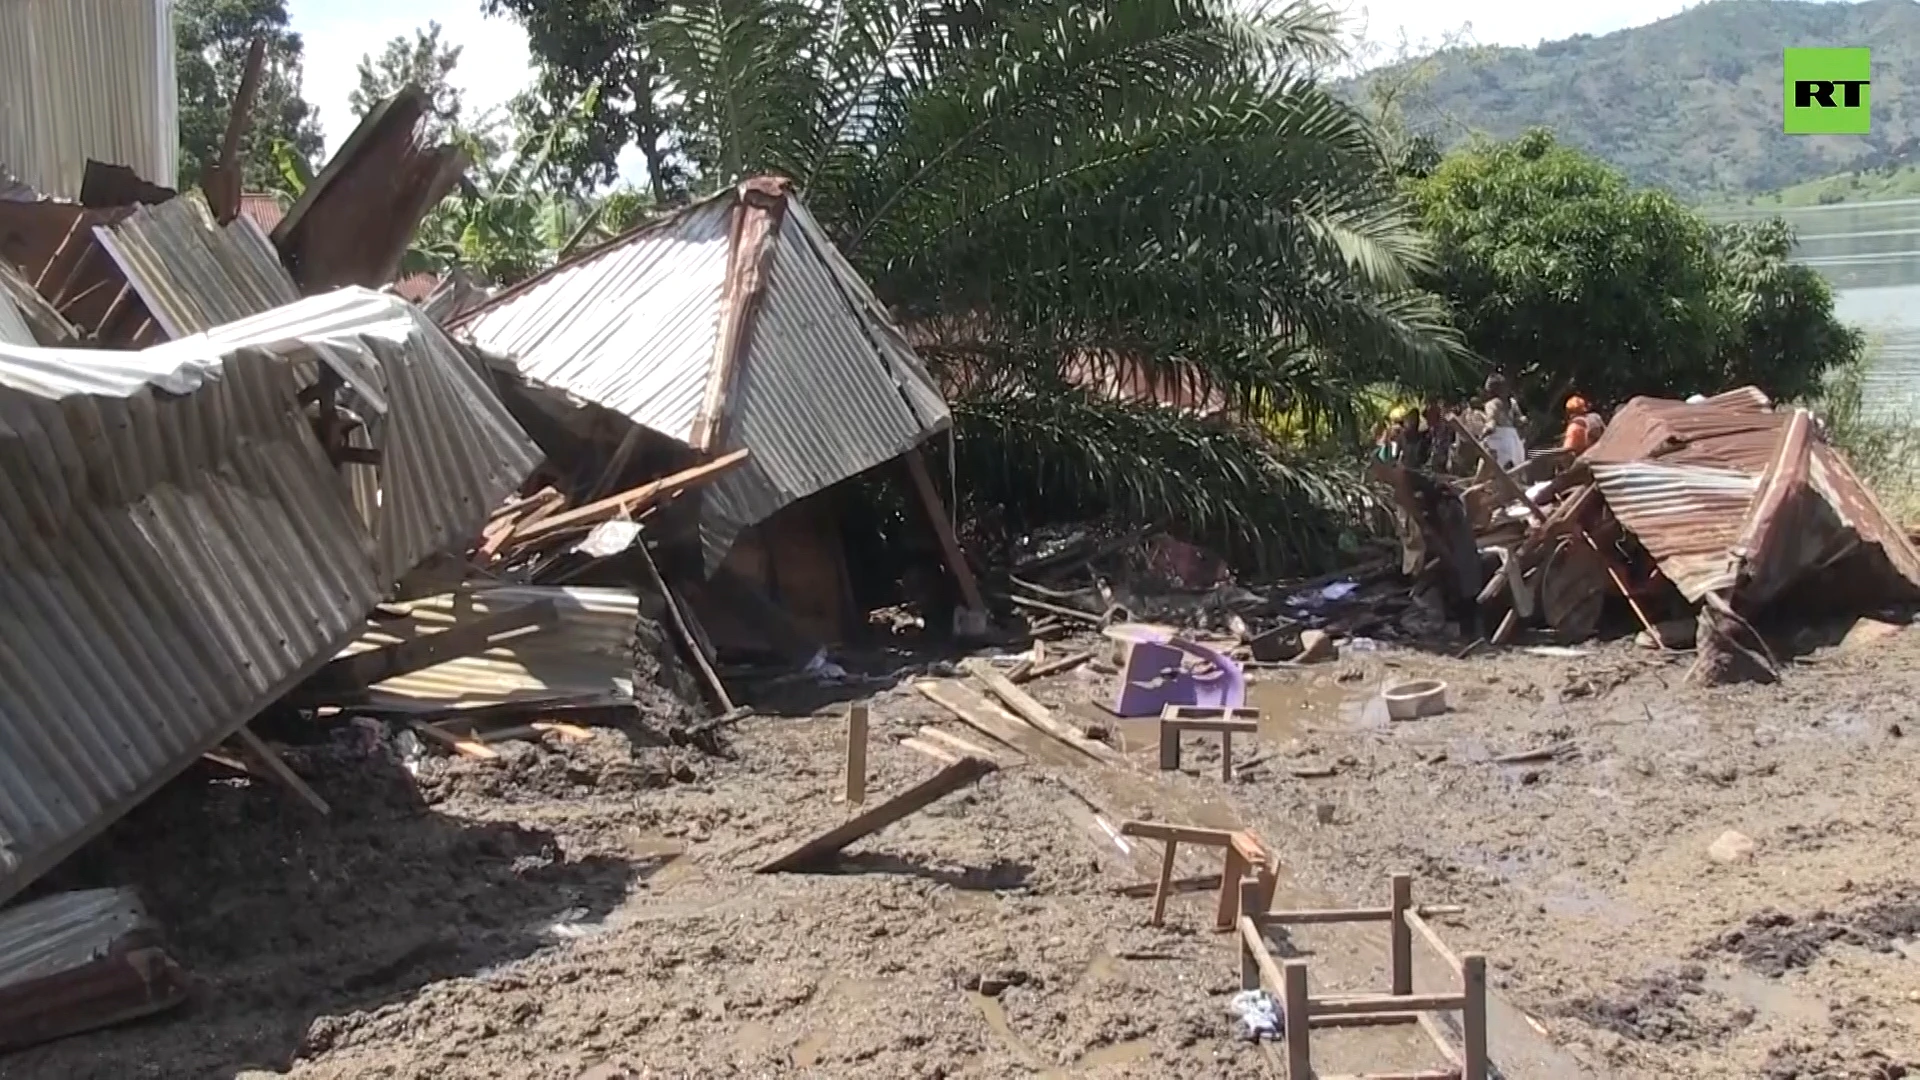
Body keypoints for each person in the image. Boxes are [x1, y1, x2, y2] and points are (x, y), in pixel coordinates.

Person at [1481, 375, 1526, 471]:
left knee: (1492, 470)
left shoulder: (1491, 404)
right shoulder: (1512, 402)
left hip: (1499, 441)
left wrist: (1482, 436)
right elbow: (1520, 420)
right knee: (1516, 472)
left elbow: (1491, 424)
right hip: (1514, 441)